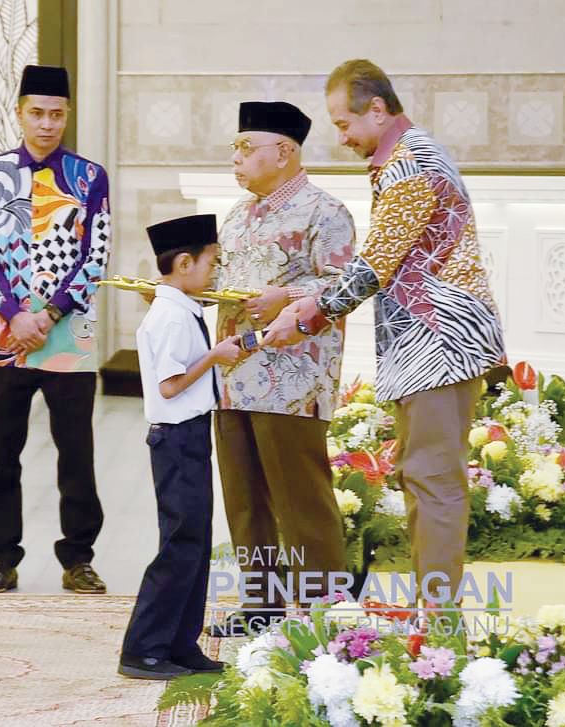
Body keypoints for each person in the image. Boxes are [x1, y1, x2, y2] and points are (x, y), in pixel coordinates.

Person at [264, 59, 506, 609]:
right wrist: (309, 302)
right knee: (423, 478)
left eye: (345, 123)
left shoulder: (410, 164)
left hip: (442, 342)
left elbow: (375, 265)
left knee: (434, 482)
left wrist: (307, 315)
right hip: (429, 343)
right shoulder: (403, 158)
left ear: (378, 109)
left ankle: (439, 624)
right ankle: (431, 614)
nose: (341, 136)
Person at [209, 102, 354, 637]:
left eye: (247, 147)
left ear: (285, 151)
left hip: (293, 382)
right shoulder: (236, 216)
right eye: (236, 148)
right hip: (234, 376)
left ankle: (325, 615)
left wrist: (286, 296)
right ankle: (262, 607)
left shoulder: (325, 212)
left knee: (300, 501)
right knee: (246, 499)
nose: (237, 158)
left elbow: (344, 288)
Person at [0, 64, 112, 594]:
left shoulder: (89, 177)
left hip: (68, 334)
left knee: (76, 451)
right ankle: (2, 558)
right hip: (4, 334)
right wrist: (14, 313)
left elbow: (96, 256)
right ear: (20, 113)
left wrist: (48, 313)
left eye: (56, 114)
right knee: (2, 452)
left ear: (67, 114)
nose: (47, 124)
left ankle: (78, 558)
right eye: (37, 113)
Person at [118, 214, 241, 680]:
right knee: (178, 546)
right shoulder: (169, 315)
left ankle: (180, 643)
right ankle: (143, 649)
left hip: (190, 435)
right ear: (185, 263)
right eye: (213, 261)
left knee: (195, 544)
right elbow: (170, 387)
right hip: (175, 438)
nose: (216, 272)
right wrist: (214, 356)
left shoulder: (182, 305)